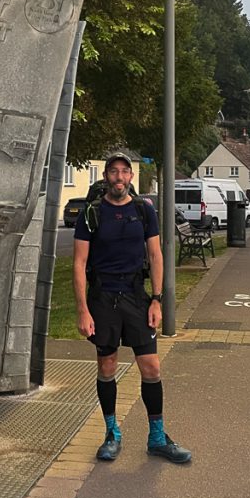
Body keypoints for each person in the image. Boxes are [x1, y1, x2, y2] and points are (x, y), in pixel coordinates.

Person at [73, 152, 192, 464]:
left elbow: (155, 255)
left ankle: (157, 438)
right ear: (106, 176)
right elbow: (79, 263)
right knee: (107, 366)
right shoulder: (91, 213)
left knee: (151, 367)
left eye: (125, 171)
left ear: (131, 177)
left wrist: (157, 300)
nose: (120, 177)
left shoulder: (143, 210)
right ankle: (112, 434)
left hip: (137, 297)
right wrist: (83, 310)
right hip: (103, 298)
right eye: (114, 171)